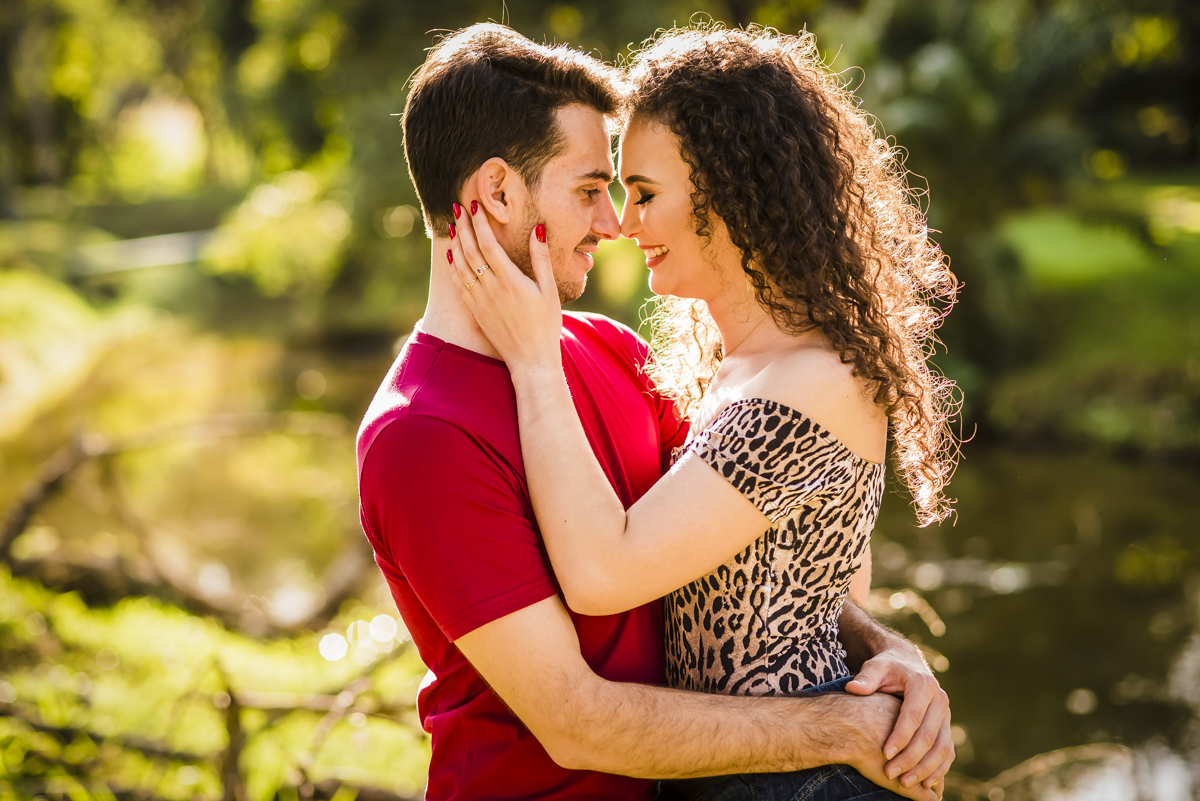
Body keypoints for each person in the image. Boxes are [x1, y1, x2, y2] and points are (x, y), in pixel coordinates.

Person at [357, 23, 952, 801]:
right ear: (499, 191)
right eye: (589, 190)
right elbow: (576, 721)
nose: (613, 224)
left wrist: (890, 653)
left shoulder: (610, 351)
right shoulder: (421, 434)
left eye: (628, 190)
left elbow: (768, 548)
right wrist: (837, 724)